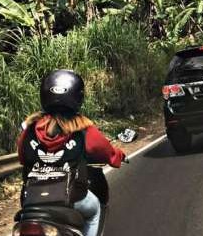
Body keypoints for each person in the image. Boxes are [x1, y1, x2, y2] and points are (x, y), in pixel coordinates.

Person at [17, 70, 125, 236]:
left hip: (31, 201)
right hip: (69, 196)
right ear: (77, 96)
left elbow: (22, 157)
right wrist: (118, 156)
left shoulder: (30, 128)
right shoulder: (82, 128)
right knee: (95, 209)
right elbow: (106, 151)